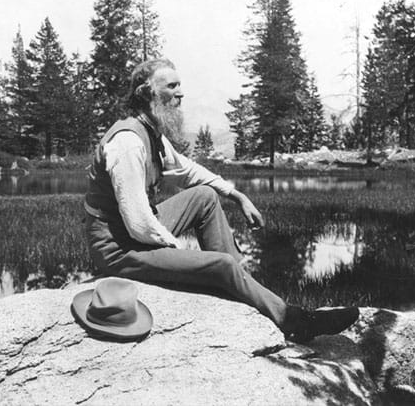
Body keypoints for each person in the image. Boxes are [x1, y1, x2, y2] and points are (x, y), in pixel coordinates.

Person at [84, 58, 358, 343]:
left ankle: (239, 283)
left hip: (133, 233)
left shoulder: (151, 134)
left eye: (181, 86)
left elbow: (187, 171)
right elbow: (139, 223)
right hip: (118, 248)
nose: (180, 93)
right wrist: (182, 254)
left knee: (205, 196)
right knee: (220, 265)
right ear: (147, 93)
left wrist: (236, 195)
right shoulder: (128, 142)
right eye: (172, 86)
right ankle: (294, 321)